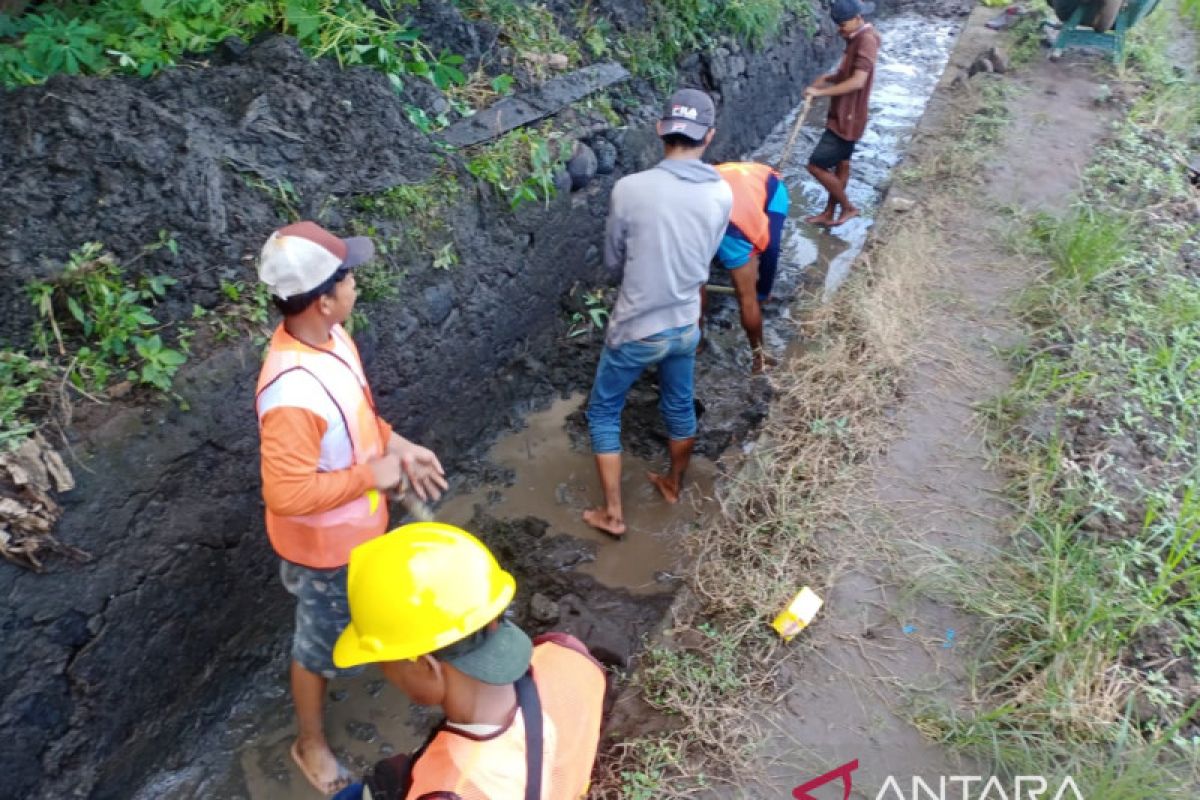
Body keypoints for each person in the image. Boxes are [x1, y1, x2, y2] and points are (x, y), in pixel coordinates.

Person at [255, 221, 448, 795]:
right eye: (349, 279)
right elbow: (284, 494)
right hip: (323, 550)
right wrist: (372, 475)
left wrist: (400, 447)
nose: (357, 285)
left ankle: (394, 656)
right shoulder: (291, 393)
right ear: (322, 300)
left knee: (360, 608)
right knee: (316, 646)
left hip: (357, 530)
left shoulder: (333, 340)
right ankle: (309, 742)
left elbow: (360, 419)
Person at [330, 522, 607, 800]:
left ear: (427, 667)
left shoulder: (451, 790)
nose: (384, 672)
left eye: (384, 662)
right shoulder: (567, 651)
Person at [583, 88, 733, 536]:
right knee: (678, 403)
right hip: (685, 324)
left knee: (604, 412)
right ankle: (672, 484)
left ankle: (612, 515)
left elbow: (613, 262)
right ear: (709, 136)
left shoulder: (629, 189)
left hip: (636, 327)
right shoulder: (721, 193)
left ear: (660, 130)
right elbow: (708, 256)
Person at [804, 0, 881, 228]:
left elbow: (857, 82)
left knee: (815, 165)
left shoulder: (866, 40)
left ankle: (848, 207)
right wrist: (827, 78)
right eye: (837, 23)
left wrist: (820, 93)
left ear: (858, 17)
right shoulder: (855, 37)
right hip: (847, 114)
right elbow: (846, 72)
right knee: (842, 164)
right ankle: (829, 212)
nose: (840, 28)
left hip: (848, 117)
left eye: (843, 23)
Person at [711, 161, 791, 372]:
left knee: (696, 283)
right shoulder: (775, 189)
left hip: (702, 214)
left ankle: (697, 343)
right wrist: (762, 291)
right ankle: (759, 358)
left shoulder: (718, 171)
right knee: (748, 298)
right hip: (735, 225)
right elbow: (771, 248)